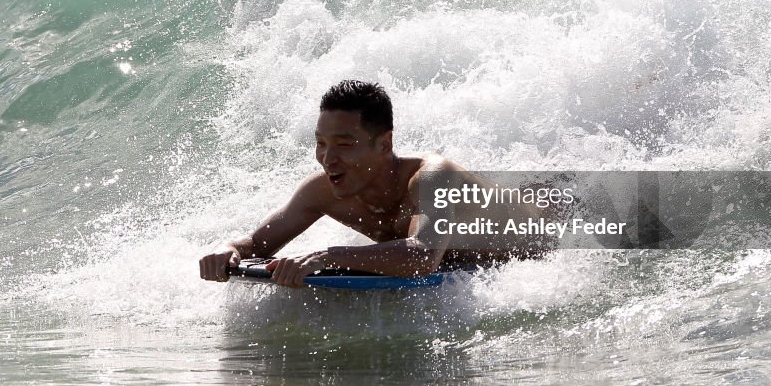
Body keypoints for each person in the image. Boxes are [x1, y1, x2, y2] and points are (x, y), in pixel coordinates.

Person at [199, 80, 551, 287]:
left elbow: (424, 257)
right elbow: (256, 244)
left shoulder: (433, 178)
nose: (327, 158)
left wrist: (327, 257)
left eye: (345, 145)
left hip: (551, 234)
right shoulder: (322, 190)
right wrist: (230, 250)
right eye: (321, 143)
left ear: (384, 144)